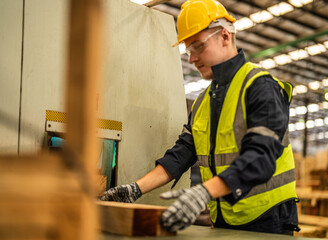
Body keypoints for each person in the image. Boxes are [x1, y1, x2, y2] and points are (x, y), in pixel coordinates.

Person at [100, 0, 300, 235]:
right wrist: (134, 189)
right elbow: (181, 154)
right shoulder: (204, 101)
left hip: (268, 221)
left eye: (197, 46)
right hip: (226, 219)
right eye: (188, 49)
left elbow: (261, 157)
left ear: (225, 36)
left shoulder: (260, 87)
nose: (192, 58)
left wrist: (204, 192)